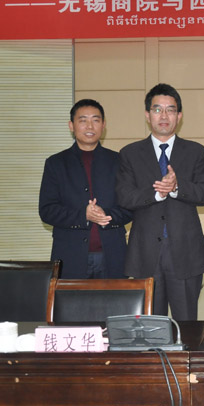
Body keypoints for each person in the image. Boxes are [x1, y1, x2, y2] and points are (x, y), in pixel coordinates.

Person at [116, 83, 204, 320]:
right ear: (147, 115)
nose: (164, 116)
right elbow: (124, 196)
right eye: (157, 109)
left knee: (186, 325)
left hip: (186, 252)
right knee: (151, 326)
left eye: (171, 110)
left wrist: (177, 187)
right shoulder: (130, 153)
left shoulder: (196, 151)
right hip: (145, 253)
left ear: (179, 116)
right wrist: (157, 193)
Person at [39, 99, 131, 279]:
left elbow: (130, 207)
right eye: (83, 120)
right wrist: (83, 215)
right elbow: (47, 210)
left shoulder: (119, 161)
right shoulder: (56, 163)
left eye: (95, 120)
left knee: (115, 299)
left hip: (113, 256)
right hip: (70, 257)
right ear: (71, 126)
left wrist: (106, 215)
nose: (90, 126)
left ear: (103, 125)